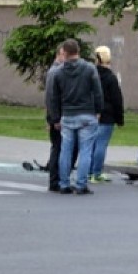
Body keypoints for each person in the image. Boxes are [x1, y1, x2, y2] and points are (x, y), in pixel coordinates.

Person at [48, 38, 104, 195]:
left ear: (64, 53)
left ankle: (64, 183)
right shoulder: (89, 69)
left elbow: (54, 98)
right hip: (87, 114)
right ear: (78, 51)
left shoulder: (58, 72)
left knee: (65, 150)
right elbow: (98, 91)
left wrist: (55, 118)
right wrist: (98, 110)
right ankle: (81, 185)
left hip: (67, 115)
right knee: (85, 150)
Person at [89, 45, 125, 184]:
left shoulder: (91, 75)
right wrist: (120, 119)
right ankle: (96, 173)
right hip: (107, 115)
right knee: (101, 144)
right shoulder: (110, 77)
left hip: (91, 113)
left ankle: (88, 171)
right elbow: (117, 99)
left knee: (90, 144)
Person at [44, 45, 65, 192]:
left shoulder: (58, 71)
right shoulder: (55, 71)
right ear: (59, 54)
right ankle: (54, 180)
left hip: (56, 116)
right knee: (57, 148)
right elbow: (51, 98)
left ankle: (57, 178)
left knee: (59, 148)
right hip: (56, 117)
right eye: (65, 55)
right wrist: (54, 119)